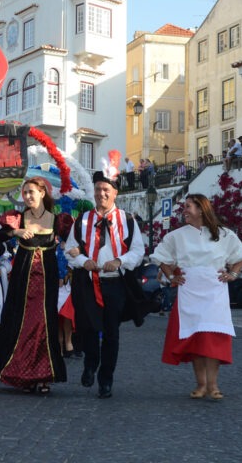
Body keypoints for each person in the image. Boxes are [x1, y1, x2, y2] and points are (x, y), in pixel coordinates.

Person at [151, 193, 242, 400]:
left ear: (201, 209)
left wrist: (233, 274)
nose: (184, 210)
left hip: (215, 291)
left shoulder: (224, 234)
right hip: (190, 291)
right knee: (196, 338)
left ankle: (213, 385)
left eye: (188, 206)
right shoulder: (177, 235)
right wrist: (171, 276)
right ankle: (201, 384)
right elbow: (160, 256)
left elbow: (241, 256)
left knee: (212, 338)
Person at [65, 170, 145, 399]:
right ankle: (91, 364)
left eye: (106, 190)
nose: (101, 193)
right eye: (98, 189)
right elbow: (69, 249)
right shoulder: (82, 220)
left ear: (115, 193)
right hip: (88, 283)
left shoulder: (127, 220)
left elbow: (138, 251)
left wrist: (119, 261)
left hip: (115, 284)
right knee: (88, 328)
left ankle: (106, 379)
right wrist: (84, 261)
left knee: (111, 333)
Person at [0, 177, 70, 394]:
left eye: (31, 192)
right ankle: (24, 374)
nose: (27, 196)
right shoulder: (17, 218)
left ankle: (44, 376)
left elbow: (74, 242)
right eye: (24, 193)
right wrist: (16, 232)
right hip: (23, 279)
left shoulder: (58, 220)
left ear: (42, 193)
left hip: (46, 281)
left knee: (44, 323)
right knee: (23, 323)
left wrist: (68, 267)